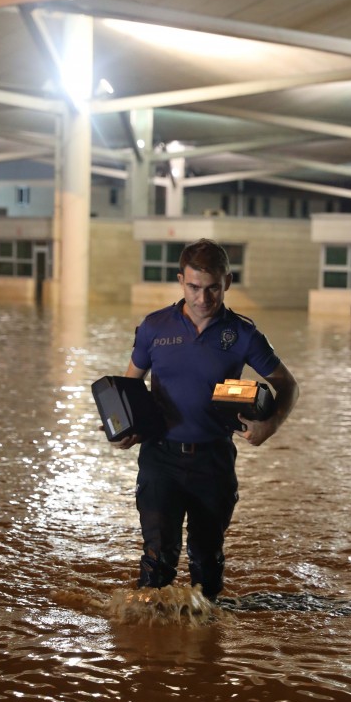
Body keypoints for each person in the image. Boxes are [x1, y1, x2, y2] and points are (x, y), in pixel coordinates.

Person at [112, 238, 299, 600]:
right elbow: (128, 387)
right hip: (160, 458)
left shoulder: (244, 334)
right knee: (157, 560)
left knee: (207, 563)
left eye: (213, 287)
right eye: (194, 287)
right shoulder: (154, 327)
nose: (203, 298)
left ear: (227, 282)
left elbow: (288, 386)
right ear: (181, 280)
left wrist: (269, 426)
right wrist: (125, 430)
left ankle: (208, 645)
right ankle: (149, 650)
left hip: (213, 460)